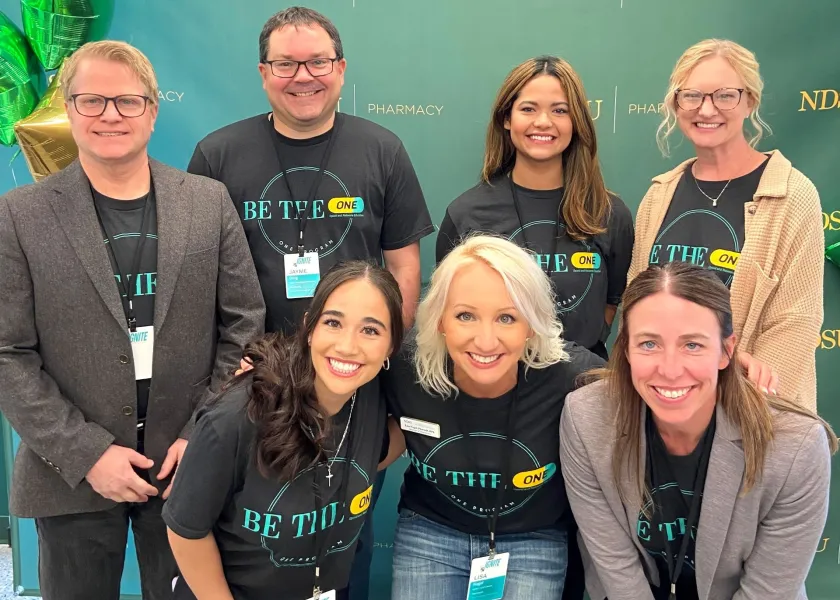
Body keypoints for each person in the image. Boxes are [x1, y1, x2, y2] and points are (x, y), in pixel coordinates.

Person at [0, 41, 265, 600]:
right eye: (91, 101)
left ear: (152, 110)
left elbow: (244, 324)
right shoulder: (19, 215)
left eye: (126, 101)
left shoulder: (207, 201)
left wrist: (200, 435)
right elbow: (7, 353)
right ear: (69, 110)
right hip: (71, 473)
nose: (110, 116)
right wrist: (86, 452)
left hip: (184, 468)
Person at [560, 261, 836, 600]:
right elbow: (613, 561)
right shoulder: (586, 418)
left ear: (727, 351)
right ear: (627, 350)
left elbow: (767, 591)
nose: (670, 370)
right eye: (649, 344)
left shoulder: (796, 447)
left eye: (693, 345)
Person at [163, 261, 405, 600]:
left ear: (391, 346)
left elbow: (378, 452)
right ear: (309, 328)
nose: (348, 346)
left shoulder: (373, 400)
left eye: (371, 330)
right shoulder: (237, 416)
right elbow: (186, 530)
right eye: (333, 322)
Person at [382, 234, 605, 600]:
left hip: (533, 538)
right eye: (465, 315)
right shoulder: (406, 368)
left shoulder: (572, 376)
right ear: (439, 319)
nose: (486, 341)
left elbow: (644, 393)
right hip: (430, 531)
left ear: (531, 323)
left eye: (506, 318)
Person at [187, 6, 434, 333]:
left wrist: (382, 344)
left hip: (354, 359)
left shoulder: (384, 151)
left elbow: (403, 267)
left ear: (341, 70)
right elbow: (196, 278)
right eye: (285, 64)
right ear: (264, 74)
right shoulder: (216, 156)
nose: (303, 76)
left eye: (319, 62)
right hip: (250, 366)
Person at [629, 39, 823, 411]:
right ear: (676, 104)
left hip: (751, 416)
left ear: (749, 101)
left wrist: (731, 390)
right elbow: (637, 306)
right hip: (663, 410)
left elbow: (796, 322)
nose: (706, 109)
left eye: (724, 96)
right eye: (692, 96)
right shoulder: (658, 195)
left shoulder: (792, 195)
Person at [436, 55, 634, 361]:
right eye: (528, 109)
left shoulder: (609, 213)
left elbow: (611, 303)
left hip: (584, 385)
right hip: (494, 382)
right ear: (506, 118)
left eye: (560, 110)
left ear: (577, 121)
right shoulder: (466, 213)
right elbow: (453, 311)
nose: (543, 122)